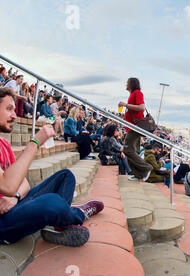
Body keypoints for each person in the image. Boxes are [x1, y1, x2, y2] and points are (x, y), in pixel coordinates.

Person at [0, 87, 104, 247]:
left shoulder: (4, 143)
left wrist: (15, 198)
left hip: (14, 206)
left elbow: (24, 184)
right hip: (3, 224)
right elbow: (8, 185)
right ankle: (77, 214)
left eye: (14, 109)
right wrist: (35, 142)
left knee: (65, 176)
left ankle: (60, 222)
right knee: (51, 202)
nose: (15, 115)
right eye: (9, 109)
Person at [120, 78, 152, 182]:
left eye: (127, 82)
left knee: (127, 150)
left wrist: (125, 105)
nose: (126, 84)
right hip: (131, 127)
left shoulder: (137, 93)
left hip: (134, 127)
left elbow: (142, 107)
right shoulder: (133, 94)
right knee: (134, 151)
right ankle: (138, 174)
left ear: (132, 84)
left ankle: (146, 168)